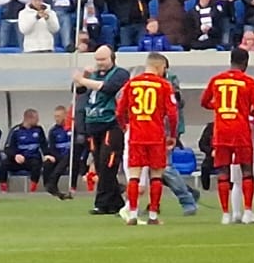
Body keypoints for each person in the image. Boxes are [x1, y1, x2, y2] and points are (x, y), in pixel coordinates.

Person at [201, 47, 254, 224]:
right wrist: (252, 119)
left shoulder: (216, 80)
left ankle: (225, 214)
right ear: (245, 63)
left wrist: (219, 108)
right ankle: (247, 212)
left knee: (223, 171)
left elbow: (204, 101)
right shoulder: (248, 82)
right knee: (246, 170)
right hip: (240, 129)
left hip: (221, 129)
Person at [117, 53, 179, 225]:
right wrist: (172, 134)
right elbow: (173, 114)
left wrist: (125, 126)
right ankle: (153, 215)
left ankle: (133, 214)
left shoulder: (131, 84)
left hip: (136, 135)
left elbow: (119, 111)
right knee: (156, 175)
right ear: (159, 67)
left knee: (135, 175)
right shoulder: (164, 85)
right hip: (155, 135)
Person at [73, 46, 128, 215]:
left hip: (111, 124)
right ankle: (115, 202)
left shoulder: (121, 74)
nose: (100, 64)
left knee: (107, 163)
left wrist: (84, 81)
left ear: (112, 58)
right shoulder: (92, 75)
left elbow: (108, 88)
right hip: (93, 123)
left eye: (103, 60)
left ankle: (102, 202)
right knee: (99, 165)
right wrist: (80, 78)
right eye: (97, 60)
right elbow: (79, 91)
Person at [4, 109, 46, 193]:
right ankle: (3, 189)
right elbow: (8, 148)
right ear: (28, 119)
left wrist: (47, 154)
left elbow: (44, 145)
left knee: (36, 164)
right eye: (36, 118)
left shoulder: (39, 129)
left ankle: (32, 189)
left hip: (32, 159)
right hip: (19, 159)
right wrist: (15, 156)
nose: (38, 120)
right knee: (4, 164)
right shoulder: (16, 131)